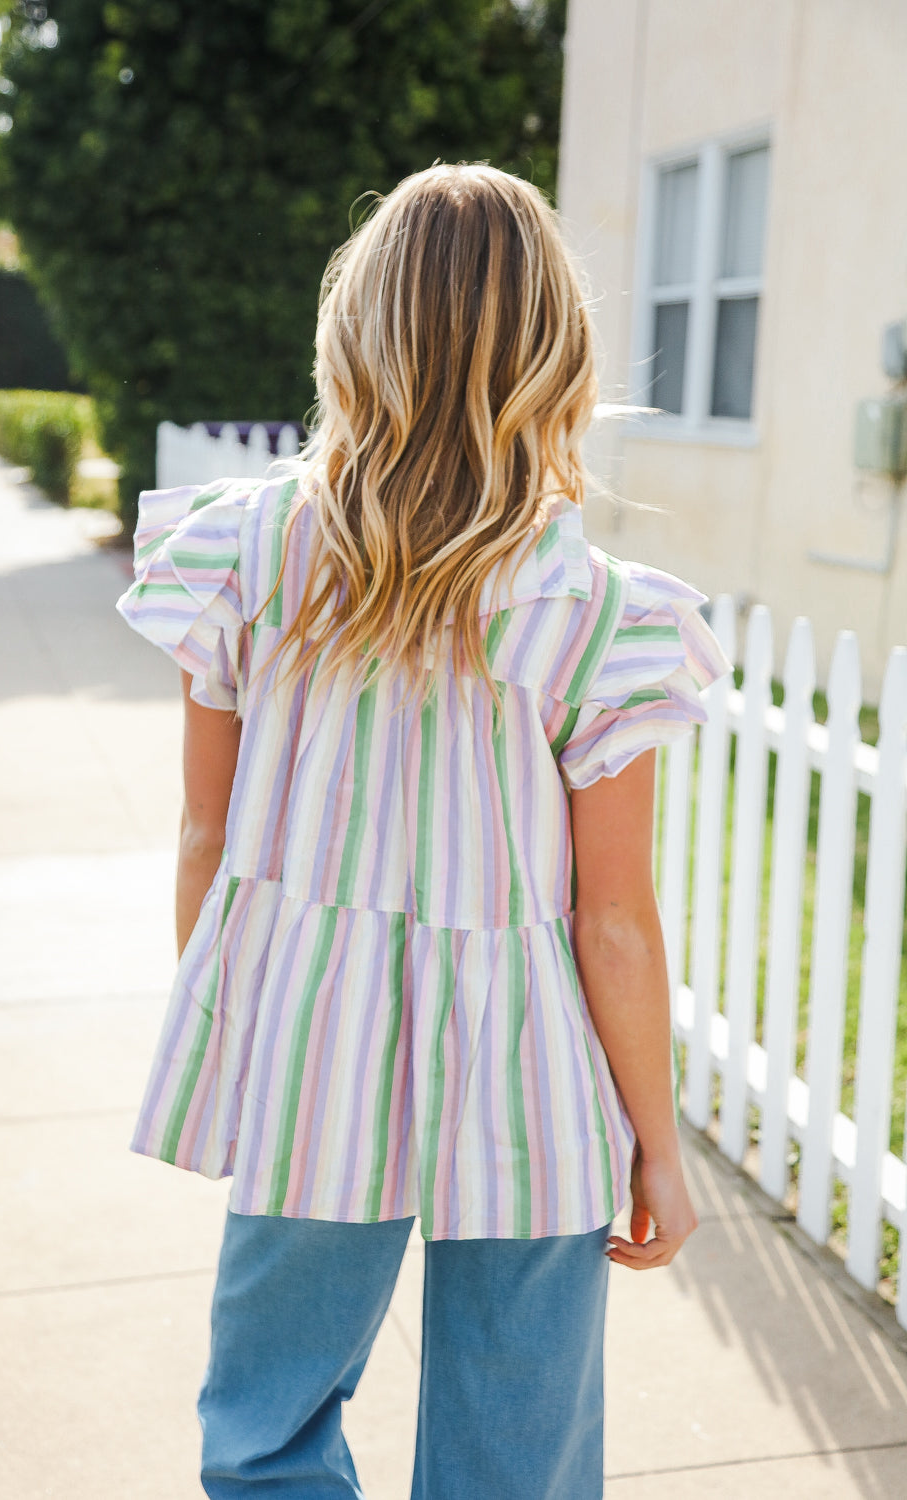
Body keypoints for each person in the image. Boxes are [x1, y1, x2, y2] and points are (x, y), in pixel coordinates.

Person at [116, 163, 733, 1498]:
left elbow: (201, 840)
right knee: (517, 1458)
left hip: (305, 1063)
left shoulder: (243, 556)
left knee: (264, 1435)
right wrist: (660, 1147)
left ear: (357, 333)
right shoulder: (592, 608)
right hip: (533, 1087)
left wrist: (230, 1035)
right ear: (553, 353)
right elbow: (610, 917)